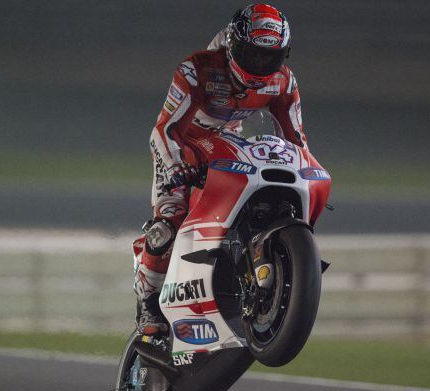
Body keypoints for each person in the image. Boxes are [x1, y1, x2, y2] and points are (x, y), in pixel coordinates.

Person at [135, 3, 320, 335]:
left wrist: (307, 175)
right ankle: (147, 305)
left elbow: (296, 140)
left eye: (270, 57)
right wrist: (176, 165)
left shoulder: (284, 83)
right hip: (184, 144)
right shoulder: (196, 70)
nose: (262, 64)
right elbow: (164, 130)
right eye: (253, 54)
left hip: (230, 143)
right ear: (235, 45)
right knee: (167, 222)